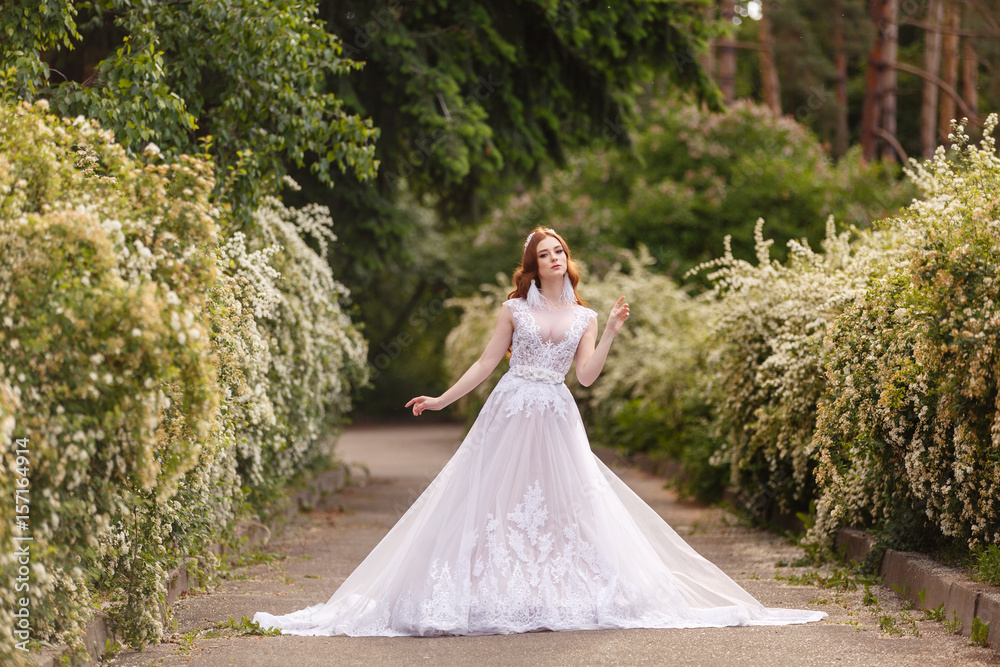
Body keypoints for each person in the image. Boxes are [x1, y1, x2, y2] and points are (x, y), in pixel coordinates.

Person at [253, 227, 826, 636]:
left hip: (555, 414)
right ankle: (481, 589)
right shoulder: (513, 309)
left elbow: (585, 375)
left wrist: (612, 333)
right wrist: (440, 398)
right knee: (489, 500)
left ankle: (559, 590)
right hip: (509, 410)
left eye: (558, 251)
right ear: (531, 263)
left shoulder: (585, 314)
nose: (553, 257)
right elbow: (484, 364)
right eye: (543, 252)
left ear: (566, 259)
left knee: (567, 505)